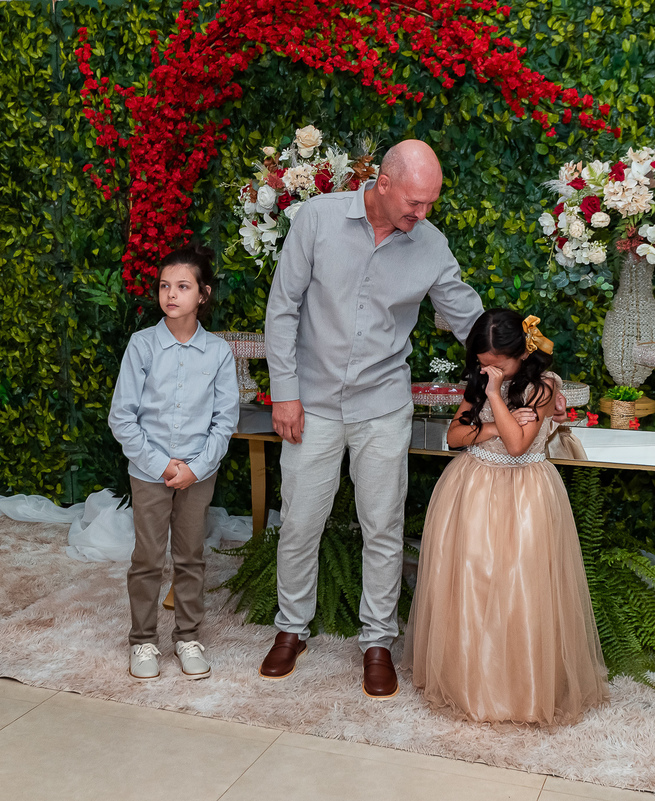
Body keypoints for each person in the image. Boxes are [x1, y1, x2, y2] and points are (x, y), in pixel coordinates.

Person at [260, 139, 487, 698]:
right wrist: (284, 393)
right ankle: (291, 629)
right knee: (299, 523)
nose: (422, 213)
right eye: (414, 201)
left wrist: (527, 371)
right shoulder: (316, 219)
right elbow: (283, 307)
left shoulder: (430, 244)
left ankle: (378, 641)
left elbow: (470, 320)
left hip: (383, 404)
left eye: (430, 203)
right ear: (383, 184)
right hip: (310, 403)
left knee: (383, 528)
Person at [404, 309, 609, 724]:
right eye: (483, 364)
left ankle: (522, 688)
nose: (488, 372)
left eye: (497, 365)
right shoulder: (480, 380)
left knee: (522, 584)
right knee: (473, 581)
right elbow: (455, 436)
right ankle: (470, 679)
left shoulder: (544, 387)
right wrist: (496, 426)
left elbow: (519, 447)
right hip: (474, 488)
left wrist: (496, 398)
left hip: (526, 495)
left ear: (522, 355)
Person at [108, 245, 239, 681]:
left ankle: (187, 637)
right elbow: (122, 417)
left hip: (198, 473)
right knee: (147, 557)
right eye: (165, 286)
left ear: (203, 294)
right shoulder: (142, 345)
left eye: (182, 286)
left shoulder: (218, 352)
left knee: (190, 556)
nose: (171, 294)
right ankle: (143, 641)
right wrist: (164, 466)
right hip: (149, 472)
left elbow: (225, 421)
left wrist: (194, 469)